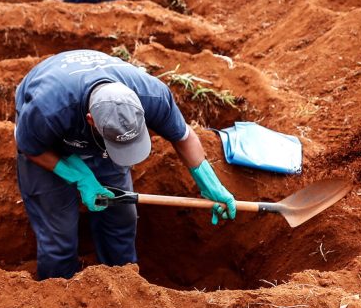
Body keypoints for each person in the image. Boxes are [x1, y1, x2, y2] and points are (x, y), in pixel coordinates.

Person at [14, 50, 236, 280]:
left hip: (93, 129)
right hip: (49, 142)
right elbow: (31, 148)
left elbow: (183, 137)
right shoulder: (47, 109)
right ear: (91, 120)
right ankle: (58, 295)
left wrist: (210, 184)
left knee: (121, 219)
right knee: (59, 237)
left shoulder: (152, 95)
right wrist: (81, 177)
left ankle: (122, 283)